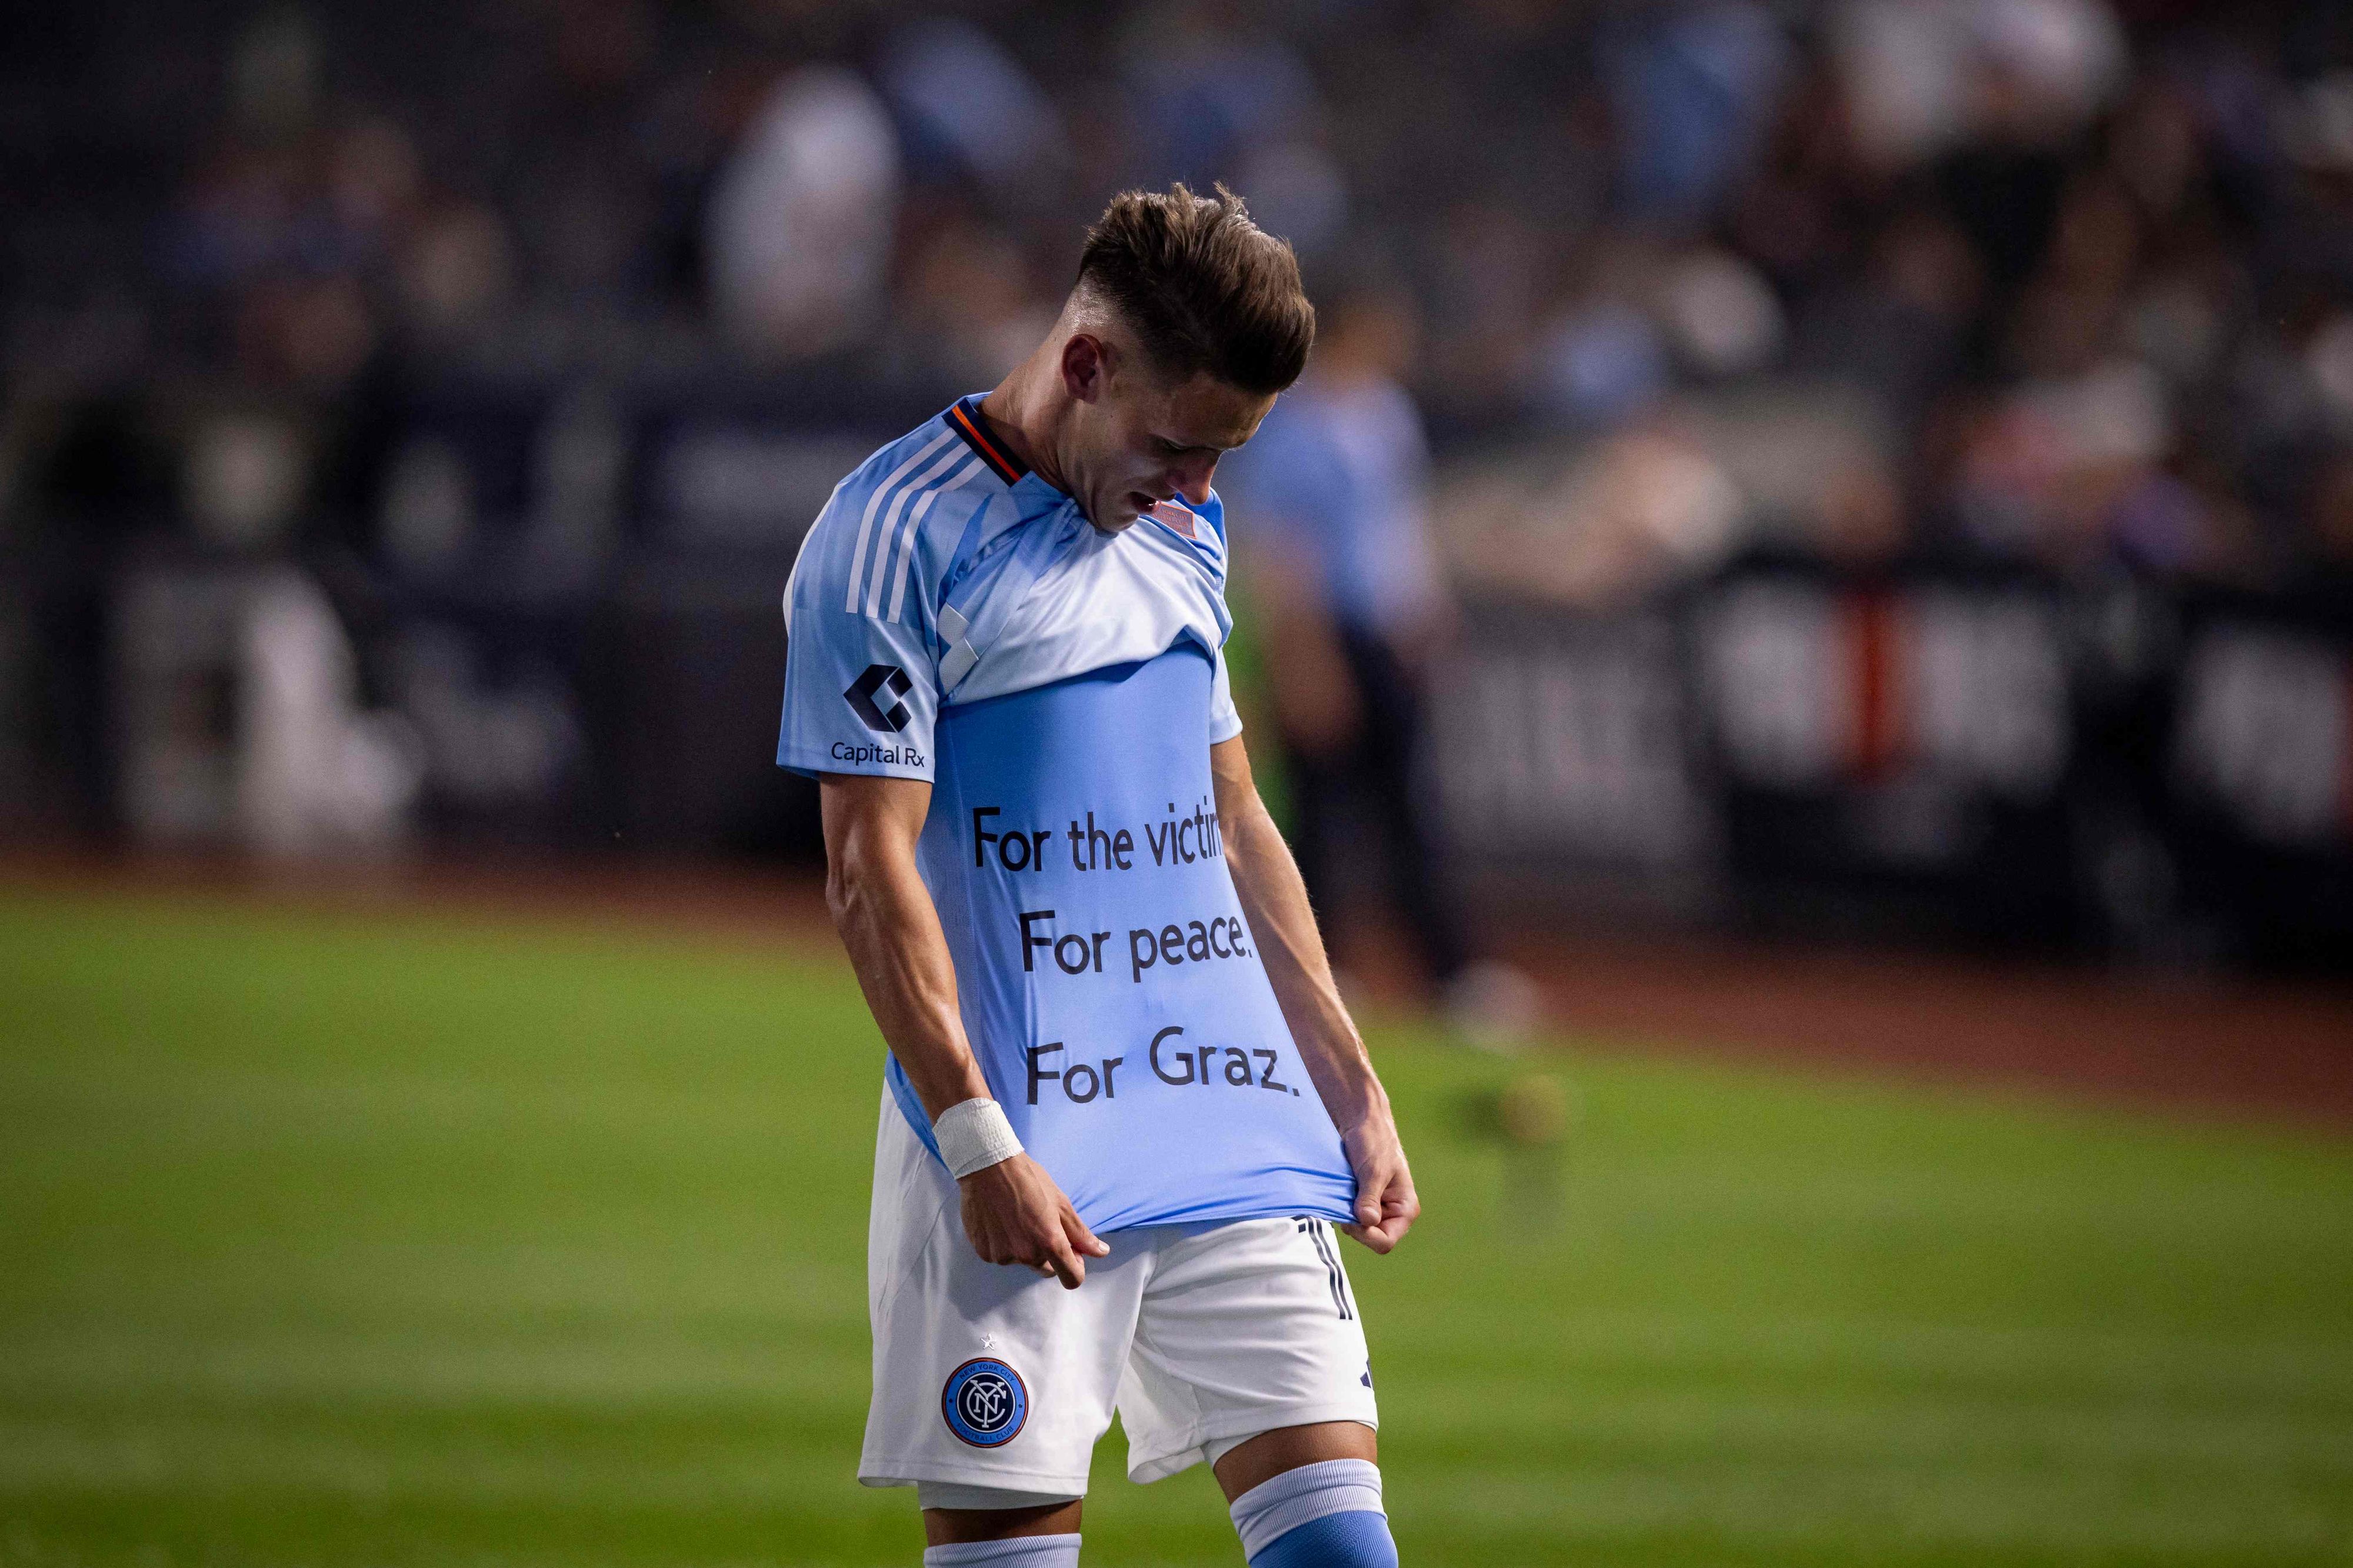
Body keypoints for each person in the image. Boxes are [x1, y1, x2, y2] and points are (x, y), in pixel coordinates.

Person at [777, 185, 1415, 1568]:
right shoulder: (890, 533)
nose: (1196, 492)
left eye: (1224, 460)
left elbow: (1230, 820)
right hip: (1020, 1154)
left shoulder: (1182, 524)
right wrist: (977, 1144)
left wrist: (1350, 1083)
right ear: (1083, 364)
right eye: (1177, 447)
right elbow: (866, 866)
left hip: (1222, 1122)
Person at [1217, 283, 1537, 1040]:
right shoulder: (1289, 424)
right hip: (1326, 632)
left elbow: (1400, 524)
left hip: (1389, 631)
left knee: (1410, 807)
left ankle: (1449, 972)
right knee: (1321, 811)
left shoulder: (1389, 413)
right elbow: (1282, 549)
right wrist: (1302, 657)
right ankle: (1321, 969)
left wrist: (1426, 606)